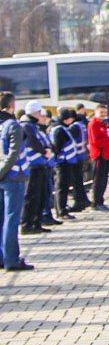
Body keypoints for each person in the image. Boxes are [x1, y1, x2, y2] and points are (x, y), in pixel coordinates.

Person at [0, 92, 34, 272]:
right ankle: (12, 259)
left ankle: (2, 257)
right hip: (13, 176)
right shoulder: (12, 125)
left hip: (3, 177)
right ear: (12, 106)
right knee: (12, 219)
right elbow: (14, 154)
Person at [19, 102, 54, 235]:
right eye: (40, 112)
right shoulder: (27, 126)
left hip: (40, 164)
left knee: (41, 195)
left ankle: (36, 222)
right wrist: (44, 151)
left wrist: (48, 149)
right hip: (33, 165)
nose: (42, 115)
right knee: (32, 196)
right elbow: (33, 142)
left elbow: (44, 141)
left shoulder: (34, 126)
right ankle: (27, 224)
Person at [50, 109, 82, 220]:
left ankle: (61, 209)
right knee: (62, 187)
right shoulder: (60, 130)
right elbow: (57, 147)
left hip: (65, 162)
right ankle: (61, 211)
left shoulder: (60, 128)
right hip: (62, 163)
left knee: (62, 187)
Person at [87, 101, 109, 212]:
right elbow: (95, 141)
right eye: (101, 112)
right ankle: (95, 202)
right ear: (96, 112)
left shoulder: (103, 124)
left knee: (103, 180)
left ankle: (100, 200)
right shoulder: (93, 124)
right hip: (99, 155)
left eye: (105, 112)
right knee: (98, 180)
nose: (103, 114)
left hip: (106, 155)